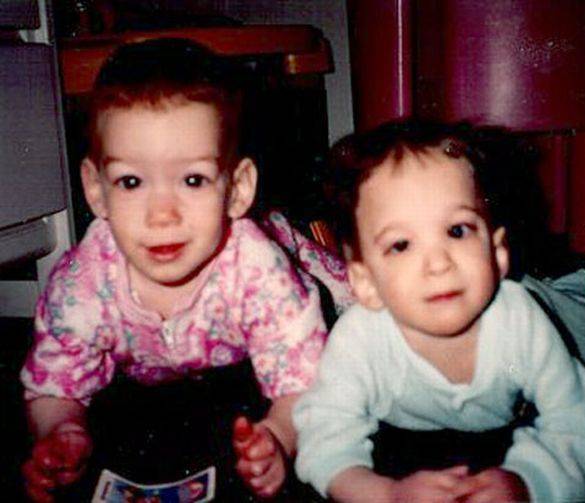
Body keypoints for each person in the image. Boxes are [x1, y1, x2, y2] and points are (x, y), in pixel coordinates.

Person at [20, 37, 352, 502]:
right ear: (96, 190)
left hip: (279, 263)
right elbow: (55, 378)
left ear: (237, 189)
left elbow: (305, 377)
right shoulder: (85, 280)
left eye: (193, 180)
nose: (162, 214)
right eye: (131, 181)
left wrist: (279, 435)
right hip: (157, 360)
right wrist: (61, 429)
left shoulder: (258, 268)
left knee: (356, 308)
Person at [294, 121, 585, 502]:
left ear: (497, 252)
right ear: (365, 283)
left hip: (553, 313)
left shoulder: (520, 322)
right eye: (401, 245)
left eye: (458, 231)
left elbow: (576, 424)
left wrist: (529, 483)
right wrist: (388, 494)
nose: (438, 263)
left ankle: (571, 288)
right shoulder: (358, 340)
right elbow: (323, 439)